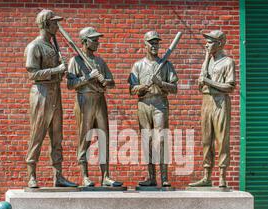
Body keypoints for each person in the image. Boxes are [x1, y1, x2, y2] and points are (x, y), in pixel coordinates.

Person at [24, 9, 77, 188]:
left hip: (55, 92)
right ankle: (32, 175)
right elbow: (32, 74)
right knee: (37, 135)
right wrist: (57, 70)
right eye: (54, 23)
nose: (57, 26)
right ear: (46, 24)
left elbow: (56, 73)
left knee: (57, 136)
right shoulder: (35, 46)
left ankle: (58, 175)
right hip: (41, 94)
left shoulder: (52, 46)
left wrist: (62, 72)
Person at [67, 27, 123, 187]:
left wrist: (105, 81)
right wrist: (87, 77)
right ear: (84, 41)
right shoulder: (75, 61)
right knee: (85, 138)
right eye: (94, 39)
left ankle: (106, 176)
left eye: (98, 39)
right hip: (84, 99)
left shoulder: (99, 61)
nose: (98, 42)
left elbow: (111, 82)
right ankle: (85, 176)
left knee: (104, 137)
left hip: (100, 100)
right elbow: (70, 84)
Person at [128, 31, 178, 188]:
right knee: (147, 140)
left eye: (157, 43)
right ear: (145, 45)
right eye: (151, 43)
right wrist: (142, 87)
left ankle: (164, 177)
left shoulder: (166, 64)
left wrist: (160, 83)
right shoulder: (138, 65)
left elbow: (174, 88)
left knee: (161, 139)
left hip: (159, 103)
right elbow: (132, 89)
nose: (154, 46)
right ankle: (151, 177)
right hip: (143, 103)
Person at [189, 30, 236, 188]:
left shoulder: (228, 62)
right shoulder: (207, 61)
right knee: (206, 140)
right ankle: (206, 176)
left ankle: (222, 176)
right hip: (207, 100)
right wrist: (203, 81)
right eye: (207, 42)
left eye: (210, 42)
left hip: (221, 101)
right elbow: (201, 84)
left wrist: (208, 82)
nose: (206, 44)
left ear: (220, 43)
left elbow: (230, 86)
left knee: (222, 140)